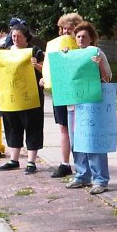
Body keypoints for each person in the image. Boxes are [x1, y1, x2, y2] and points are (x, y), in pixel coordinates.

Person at [0, 23, 45, 174]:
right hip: (11, 98)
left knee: (32, 127)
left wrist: (37, 66)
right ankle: (14, 160)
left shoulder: (34, 52)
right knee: (13, 127)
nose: (15, 39)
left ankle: (31, 162)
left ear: (26, 37)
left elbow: (47, 69)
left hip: (31, 98)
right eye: (13, 36)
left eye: (18, 36)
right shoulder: (7, 52)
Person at [66, 21, 112, 194]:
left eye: (84, 36)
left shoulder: (97, 53)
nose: (80, 39)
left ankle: (100, 179)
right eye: (78, 36)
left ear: (91, 38)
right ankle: (82, 175)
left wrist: (99, 64)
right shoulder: (71, 55)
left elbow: (107, 78)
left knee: (93, 141)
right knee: (76, 142)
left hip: (92, 106)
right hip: (74, 105)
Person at [48, 12, 83, 178]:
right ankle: (65, 163)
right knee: (63, 127)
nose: (65, 33)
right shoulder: (55, 46)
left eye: (69, 29)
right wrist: (45, 79)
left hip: (79, 92)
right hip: (61, 91)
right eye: (63, 29)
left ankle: (82, 163)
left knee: (79, 128)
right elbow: (50, 68)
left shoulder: (84, 47)